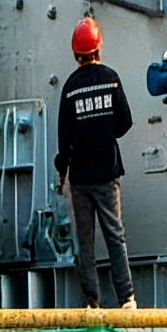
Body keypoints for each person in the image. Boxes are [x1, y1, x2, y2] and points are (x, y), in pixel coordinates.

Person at [54, 18, 137, 309]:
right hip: (107, 174)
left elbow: (64, 139)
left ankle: (91, 302)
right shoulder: (111, 78)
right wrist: (105, 133)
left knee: (84, 244)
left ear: (76, 53)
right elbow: (125, 121)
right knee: (115, 236)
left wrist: (62, 170)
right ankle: (127, 299)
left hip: (80, 178)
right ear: (98, 48)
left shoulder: (70, 88)